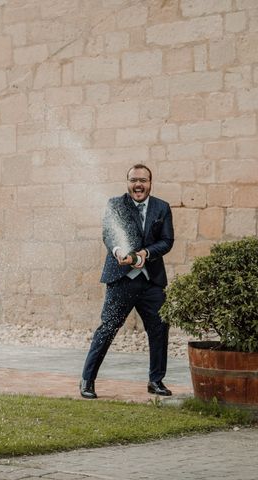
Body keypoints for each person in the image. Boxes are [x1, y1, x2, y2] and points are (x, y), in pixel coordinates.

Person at [80, 164, 175, 399]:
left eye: (143, 180)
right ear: (127, 182)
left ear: (150, 183)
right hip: (121, 280)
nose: (138, 185)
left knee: (160, 329)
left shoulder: (162, 208)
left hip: (151, 282)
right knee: (107, 329)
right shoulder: (116, 204)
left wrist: (145, 254)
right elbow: (109, 234)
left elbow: (167, 241)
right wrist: (119, 250)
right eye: (133, 180)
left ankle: (156, 381)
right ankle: (87, 381)